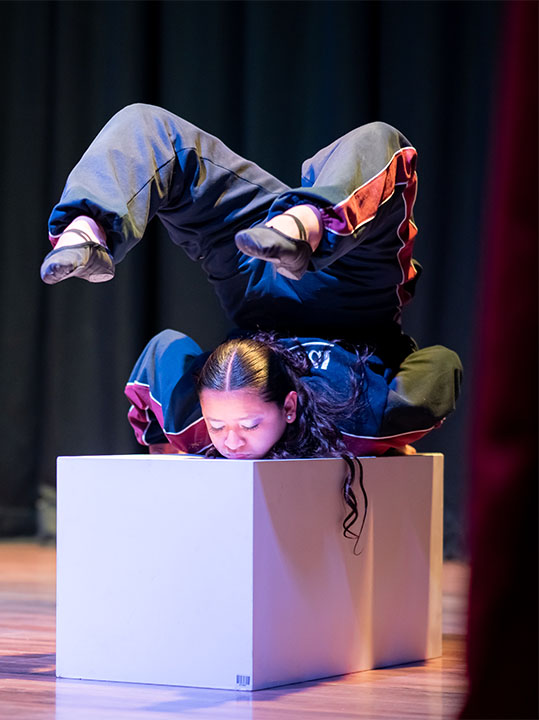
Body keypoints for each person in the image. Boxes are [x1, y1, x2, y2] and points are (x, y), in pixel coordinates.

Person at [41, 104, 462, 542]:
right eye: (235, 426)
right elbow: (442, 365)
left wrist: (165, 458)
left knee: (150, 128)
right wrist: (393, 385)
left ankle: (90, 227)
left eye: (240, 425)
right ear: (290, 407)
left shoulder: (195, 424)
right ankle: (306, 221)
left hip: (254, 277)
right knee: (378, 142)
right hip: (351, 289)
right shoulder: (360, 423)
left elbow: (160, 354)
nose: (230, 441)